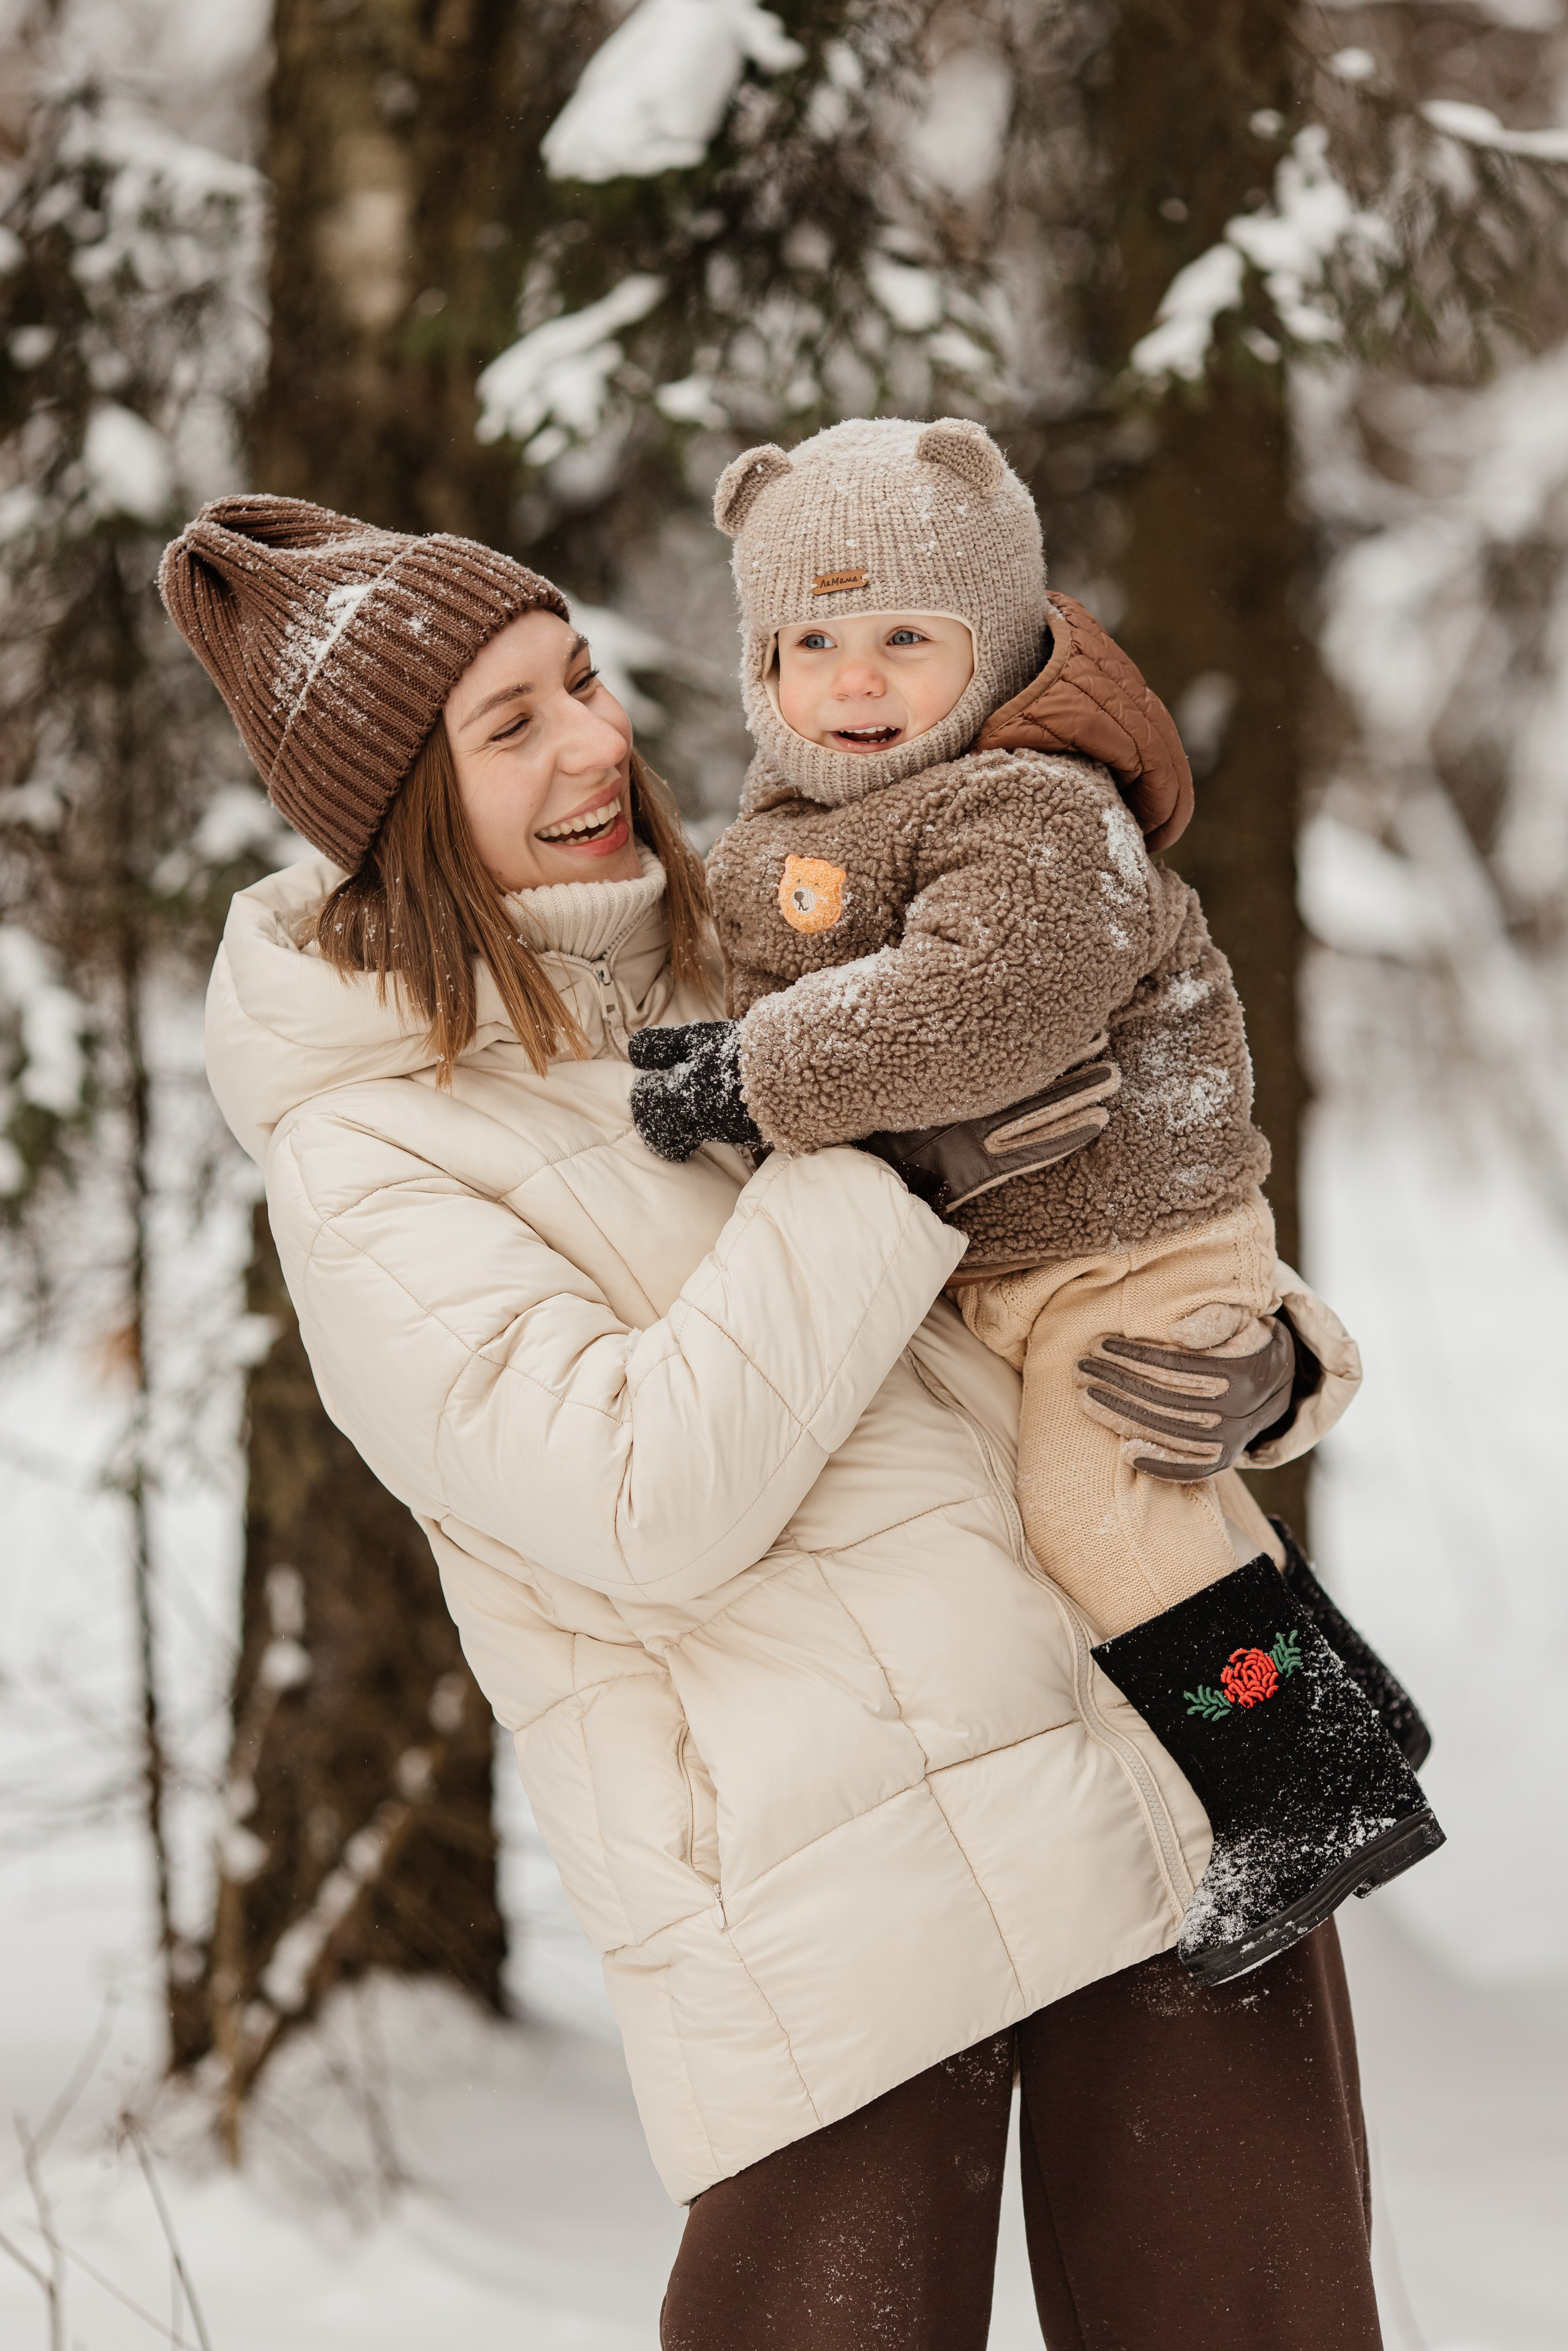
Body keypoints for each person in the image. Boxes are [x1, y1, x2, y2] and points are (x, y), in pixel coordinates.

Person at [166, 494, 1387, 2347]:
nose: (594, 737)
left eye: (579, 675)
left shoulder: (771, 939)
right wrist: (876, 1164)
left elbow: (1107, 1190)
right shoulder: (371, 1155)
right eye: (510, 725)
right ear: (398, 813)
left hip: (1186, 1748)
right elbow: (641, 1492)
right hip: (843, 1900)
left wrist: (1276, 1358)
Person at [625, 417, 1442, 1983]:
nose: (852, 681)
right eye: (810, 642)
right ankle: (1346, 1699)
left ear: (991, 645)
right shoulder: (795, 828)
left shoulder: (1034, 809)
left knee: (1099, 1507)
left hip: (1128, 1241)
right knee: (1132, 1514)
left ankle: (1309, 1788)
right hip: (1013, 1262)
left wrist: (745, 1077)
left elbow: (984, 1005)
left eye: (904, 638)